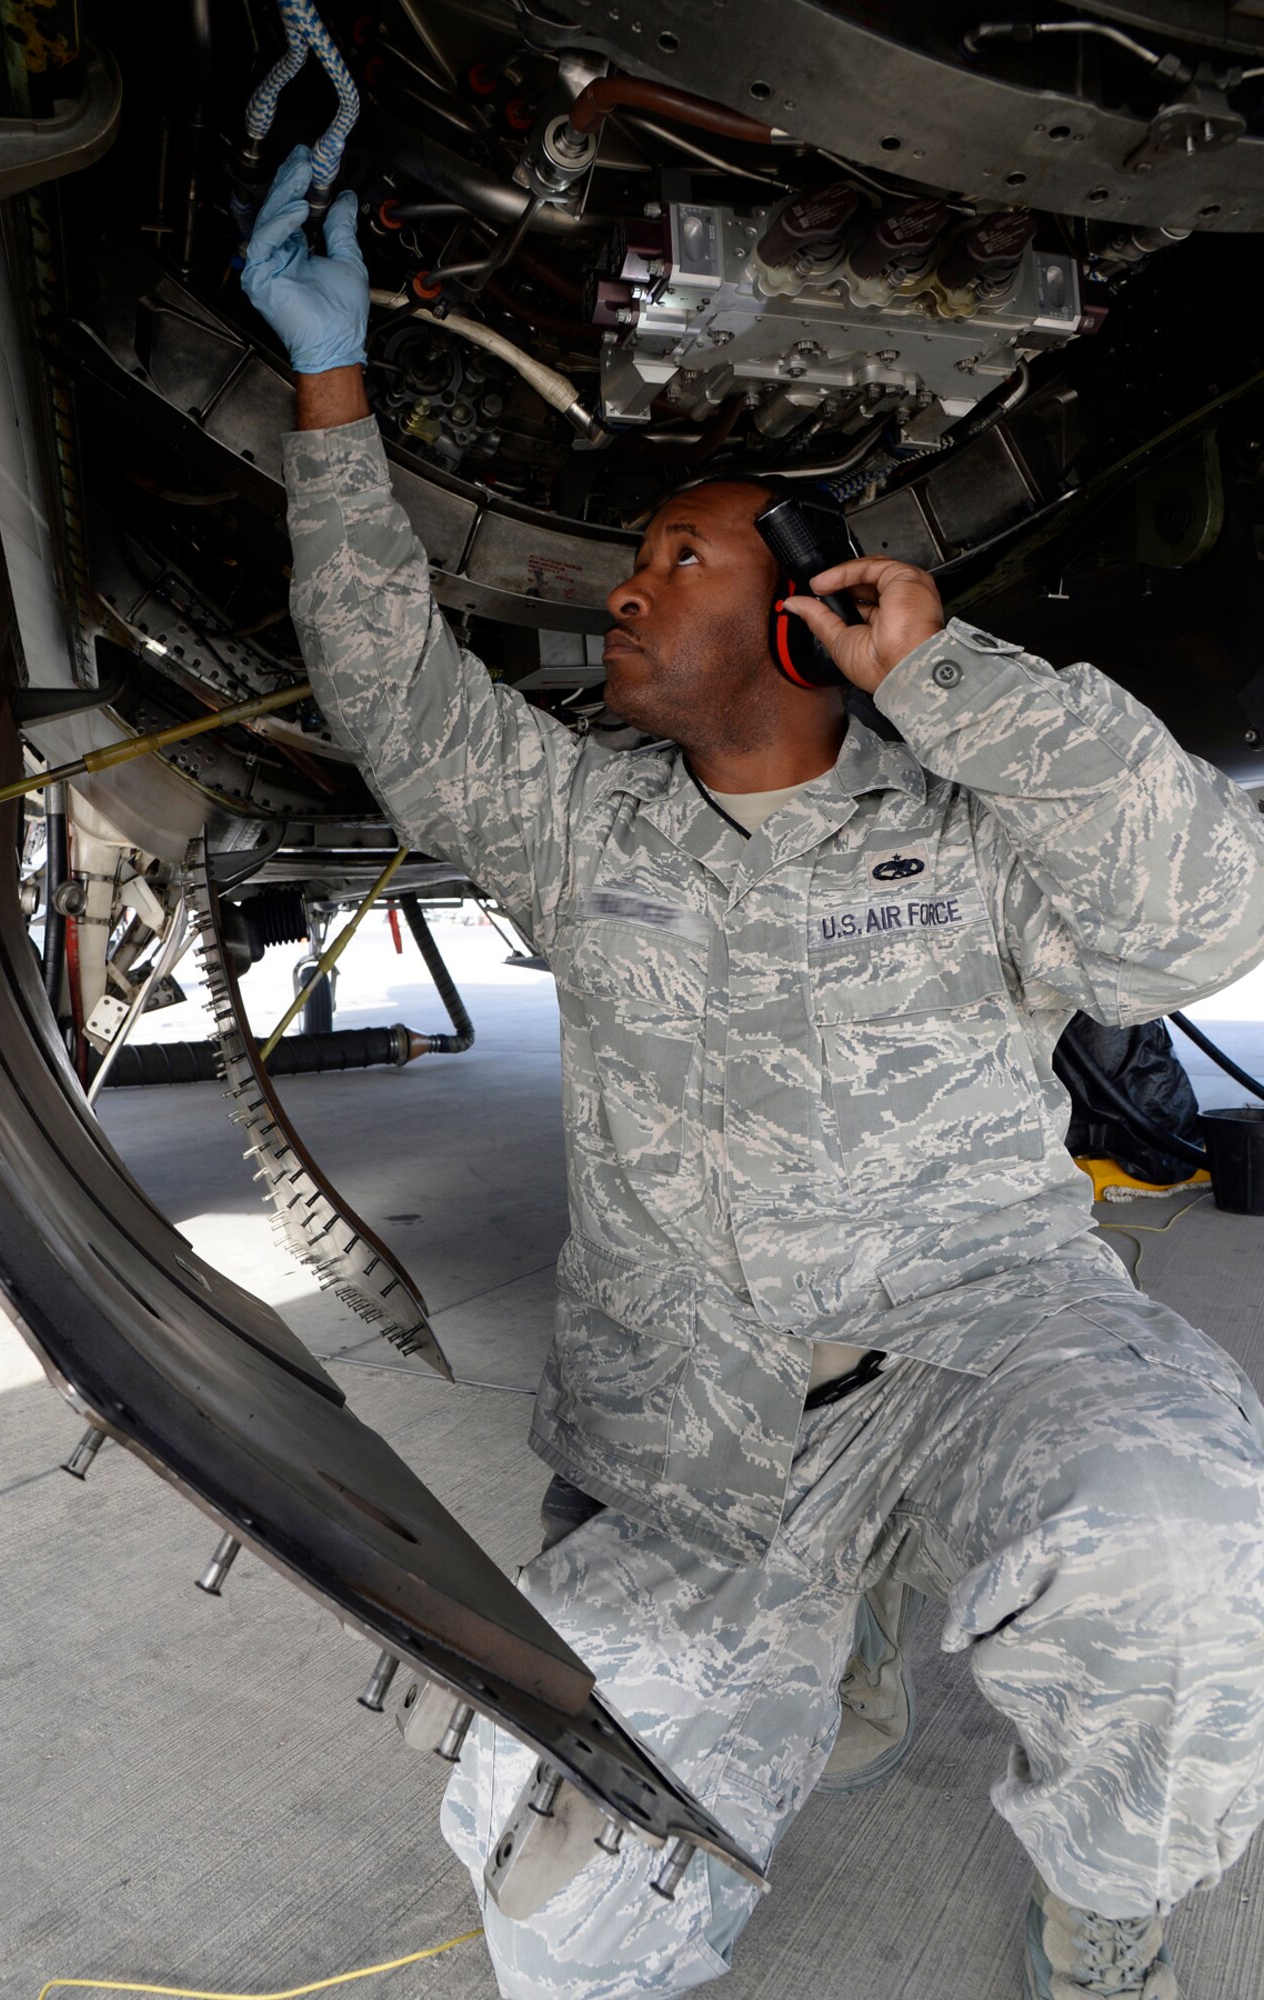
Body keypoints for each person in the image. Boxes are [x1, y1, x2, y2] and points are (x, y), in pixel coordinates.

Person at [243, 149, 1264, 1999]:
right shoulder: (579, 826)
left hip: (979, 1342)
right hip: (697, 1436)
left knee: (1187, 1537)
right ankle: (835, 1644)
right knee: (567, 1917)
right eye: (636, 565)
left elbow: (1200, 920)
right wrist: (332, 393)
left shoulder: (963, 821)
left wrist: (960, 682)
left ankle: (1108, 1898)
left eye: (674, 563)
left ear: (800, 617)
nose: (622, 597)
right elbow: (393, 693)